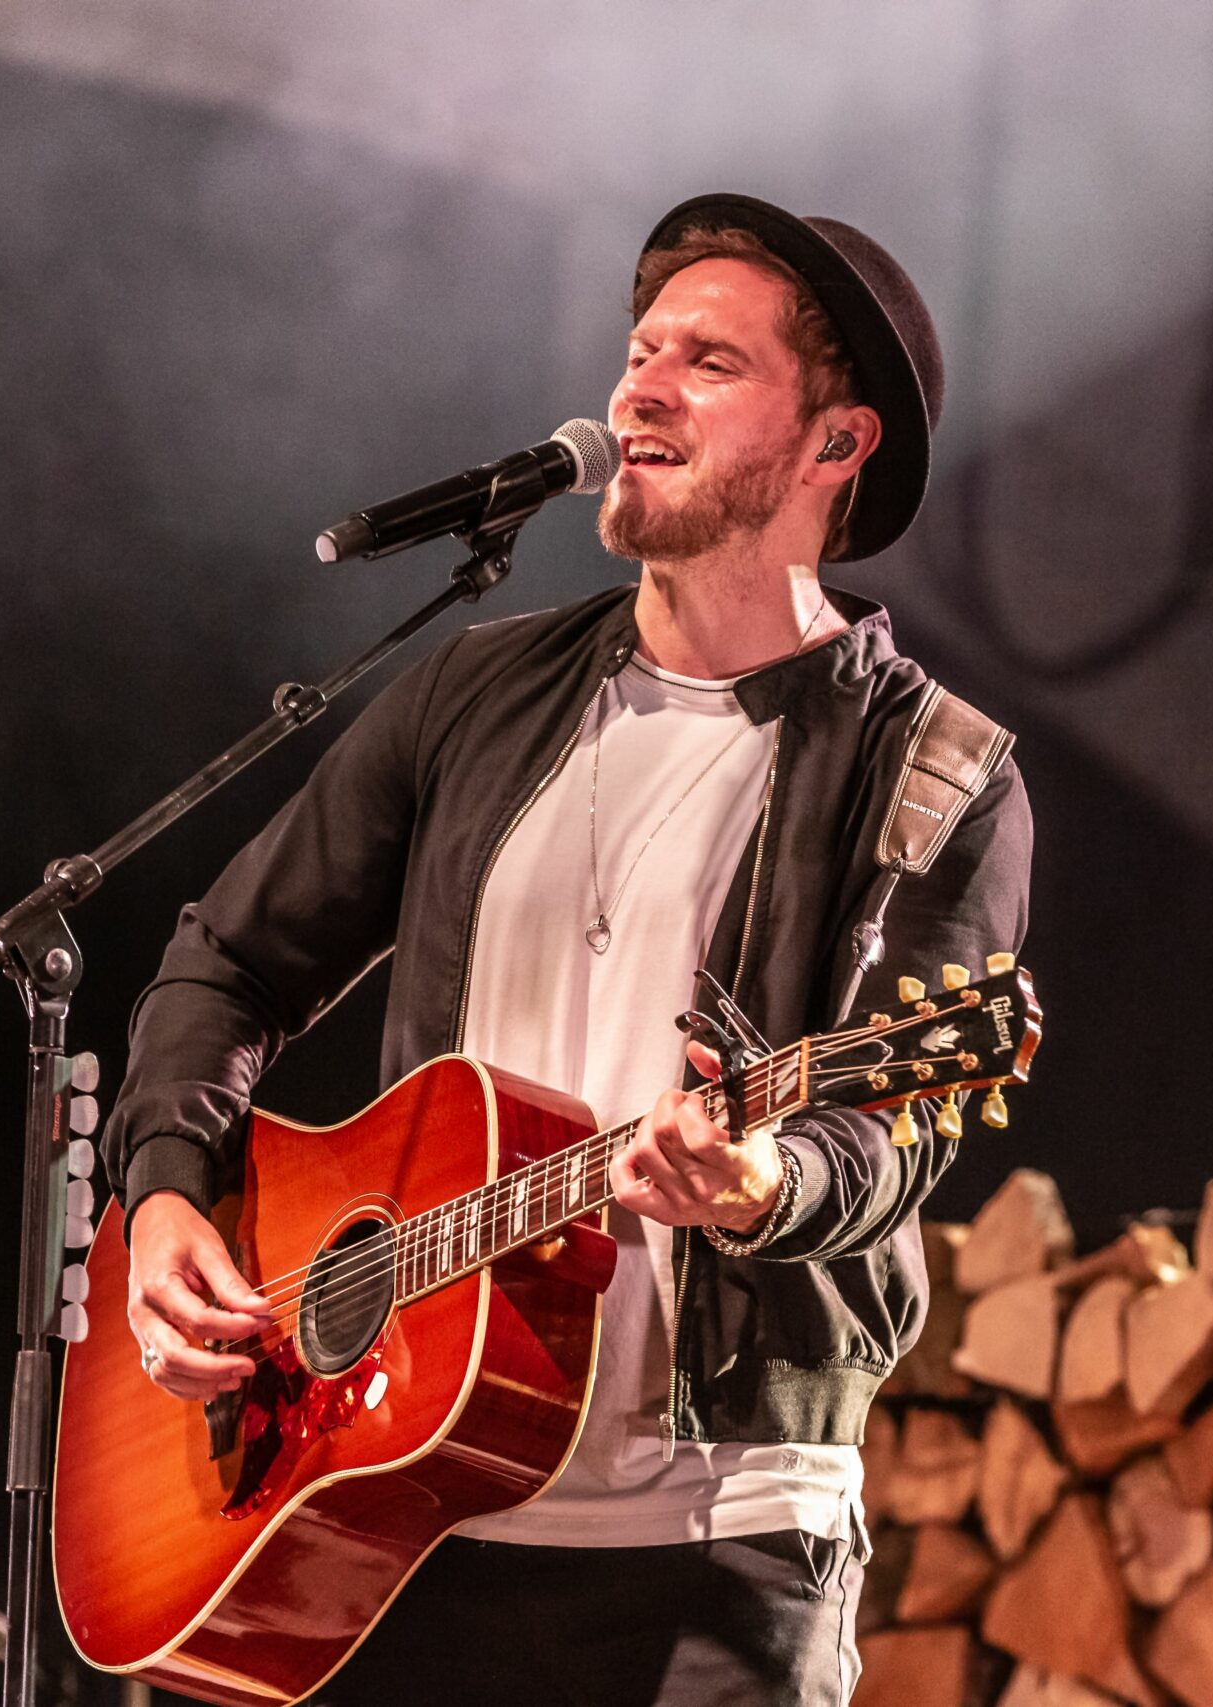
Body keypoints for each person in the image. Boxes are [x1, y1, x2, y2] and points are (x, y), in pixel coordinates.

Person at [104, 193, 1033, 1706]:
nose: (638, 388)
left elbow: (896, 1120)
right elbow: (226, 961)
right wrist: (163, 1198)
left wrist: (765, 1180)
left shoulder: (934, 765)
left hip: (722, 1536)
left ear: (834, 446)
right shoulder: (475, 690)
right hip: (405, 1503)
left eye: (709, 361)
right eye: (641, 348)